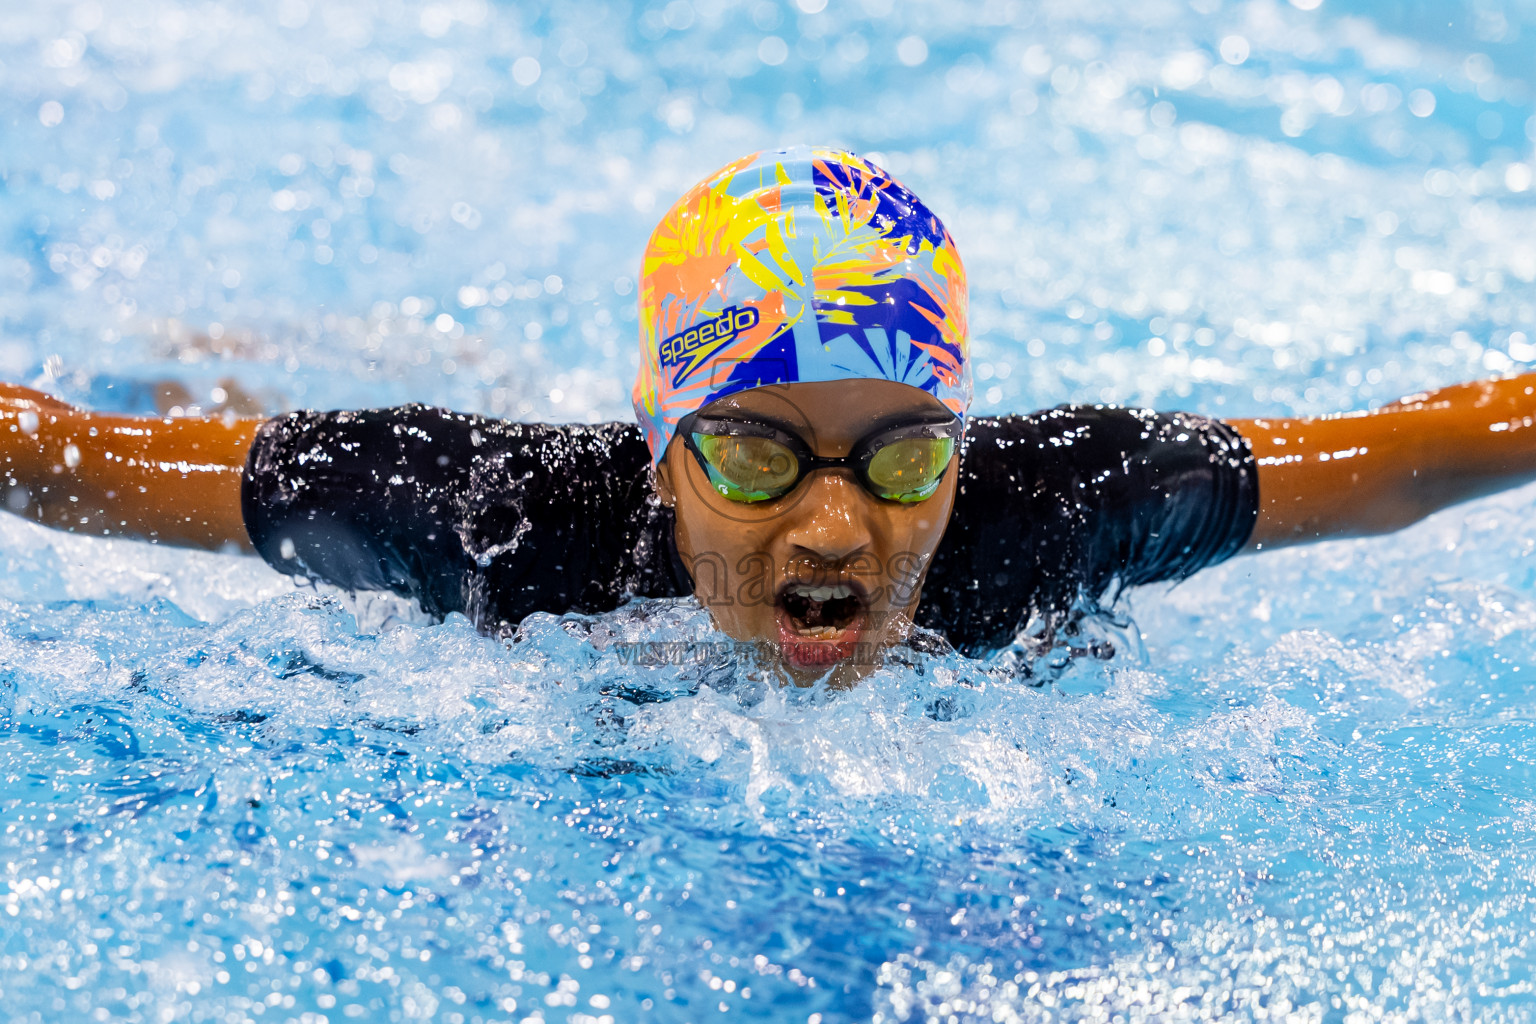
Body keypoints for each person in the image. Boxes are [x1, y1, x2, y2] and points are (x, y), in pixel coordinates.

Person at [3, 146, 1536, 685]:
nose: (834, 522)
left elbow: (1413, 461)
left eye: (901, 452)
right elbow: (55, 461)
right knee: (222, 392)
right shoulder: (500, 521)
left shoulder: (1057, 503)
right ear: (664, 446)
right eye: (749, 446)